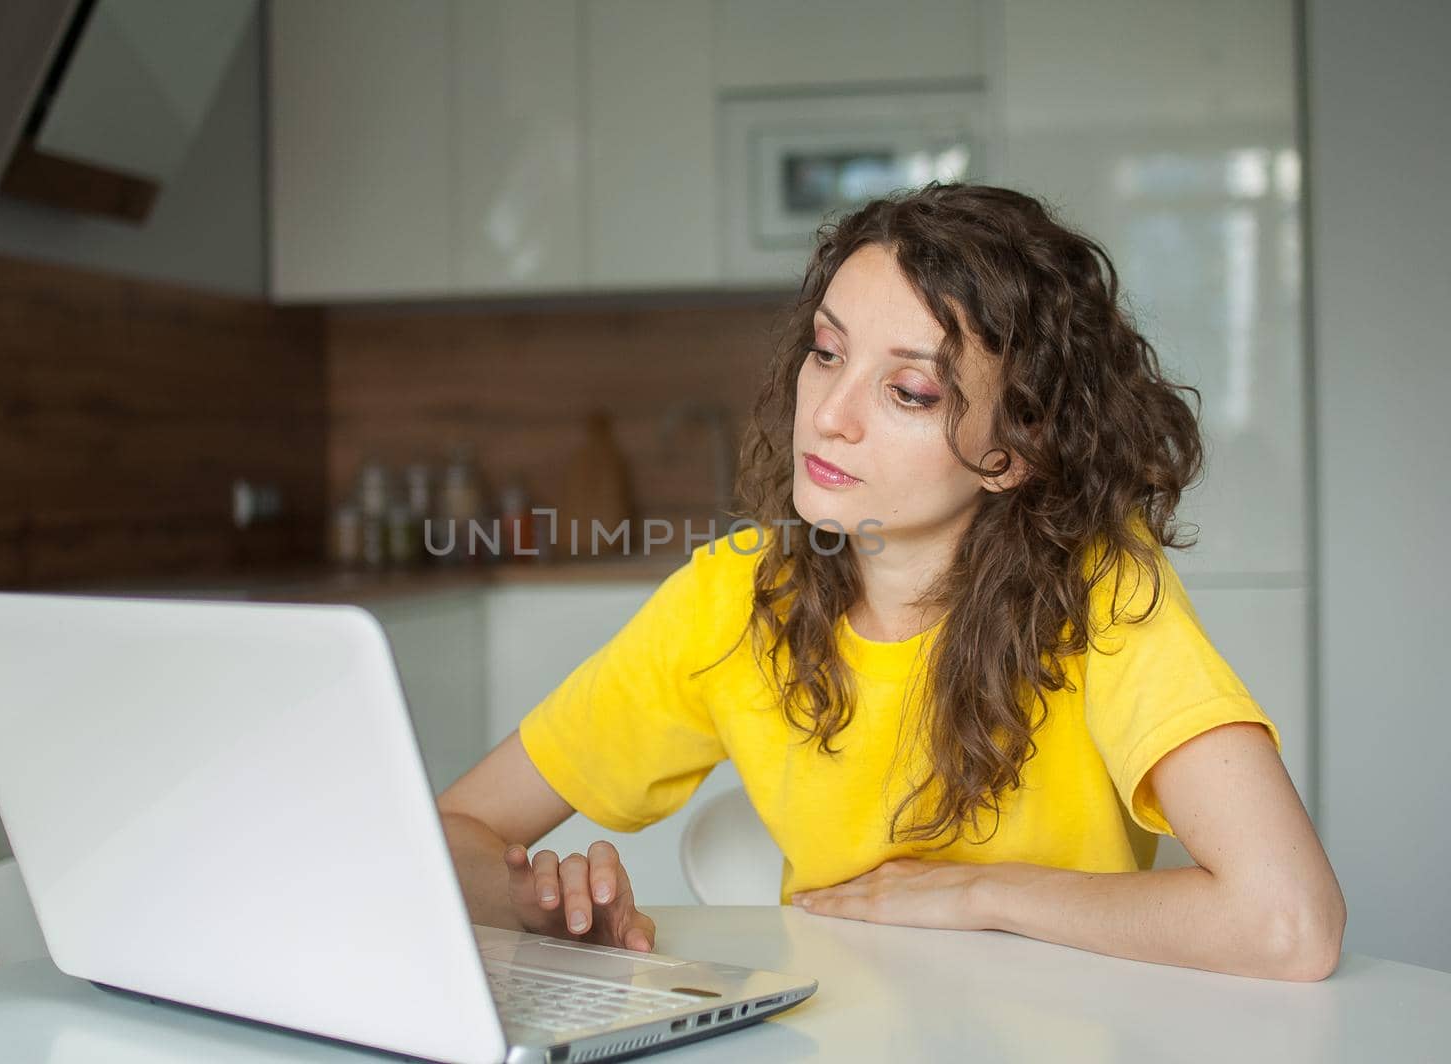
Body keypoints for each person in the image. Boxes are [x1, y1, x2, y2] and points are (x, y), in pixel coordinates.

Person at [437, 183, 1346, 982]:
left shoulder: (1099, 591)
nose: (828, 416)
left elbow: (1288, 923)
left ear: (1010, 449)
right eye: (827, 353)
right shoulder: (729, 600)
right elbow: (446, 835)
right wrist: (532, 906)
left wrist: (985, 894)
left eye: (908, 392)